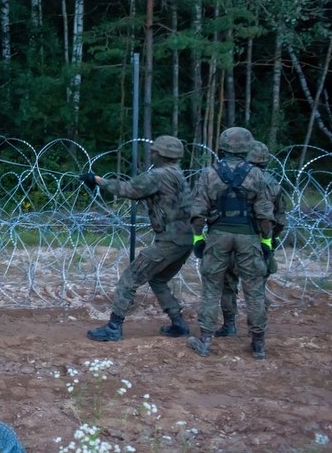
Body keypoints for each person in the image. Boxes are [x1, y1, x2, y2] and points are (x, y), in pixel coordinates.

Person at [82, 135, 194, 342]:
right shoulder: (178, 174)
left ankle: (114, 326)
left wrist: (97, 180)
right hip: (185, 239)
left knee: (130, 278)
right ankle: (178, 323)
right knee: (158, 279)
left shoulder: (158, 175)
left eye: (154, 151)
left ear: (160, 155)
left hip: (169, 241)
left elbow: (128, 189)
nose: (151, 154)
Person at [186, 127, 275, 360]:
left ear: (222, 147)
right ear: (246, 148)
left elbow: (197, 212)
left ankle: (205, 341)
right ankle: (258, 345)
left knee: (211, 288)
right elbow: (265, 215)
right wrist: (266, 241)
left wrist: (198, 239)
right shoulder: (257, 175)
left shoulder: (209, 173)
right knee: (254, 290)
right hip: (248, 236)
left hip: (218, 234)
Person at [213, 140, 287, 337]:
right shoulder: (273, 184)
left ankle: (229, 326)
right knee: (256, 290)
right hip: (258, 241)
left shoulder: (229, 177)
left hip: (231, 238)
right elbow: (279, 220)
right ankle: (257, 336)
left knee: (228, 285)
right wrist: (269, 240)